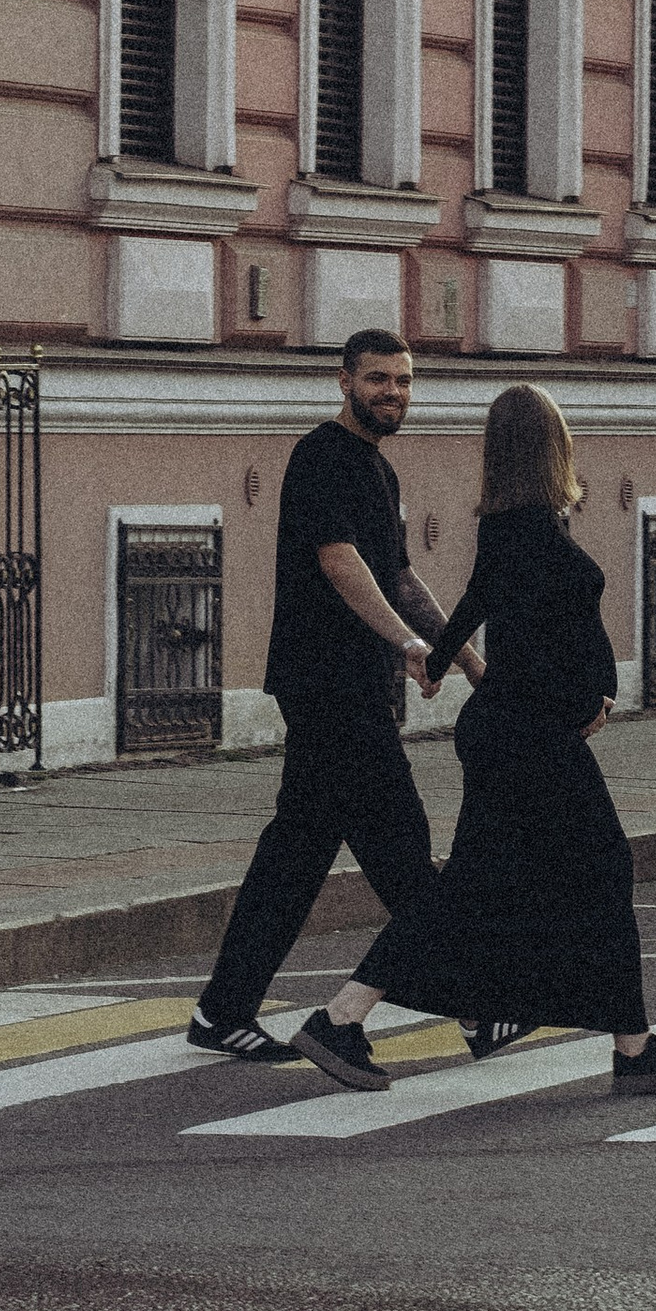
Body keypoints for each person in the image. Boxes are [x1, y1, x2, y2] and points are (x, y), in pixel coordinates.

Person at [294, 384, 656, 1101]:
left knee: (486, 883)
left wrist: (443, 658)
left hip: (514, 726)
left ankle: (347, 1017)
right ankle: (633, 1049)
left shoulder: (513, 525)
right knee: (599, 867)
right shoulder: (530, 529)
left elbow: (473, 607)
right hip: (528, 733)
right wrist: (574, 692)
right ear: (552, 448)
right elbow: (530, 624)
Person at [188, 328, 481, 1070]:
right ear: (344, 381)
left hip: (352, 690)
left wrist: (469, 658)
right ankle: (480, 1006)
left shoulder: (378, 472)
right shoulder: (320, 457)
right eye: (379, 378)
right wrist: (405, 646)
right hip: (329, 689)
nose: (394, 393)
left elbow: (402, 577)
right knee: (406, 859)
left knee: (295, 854)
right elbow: (340, 563)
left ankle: (221, 1011)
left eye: (405, 381)